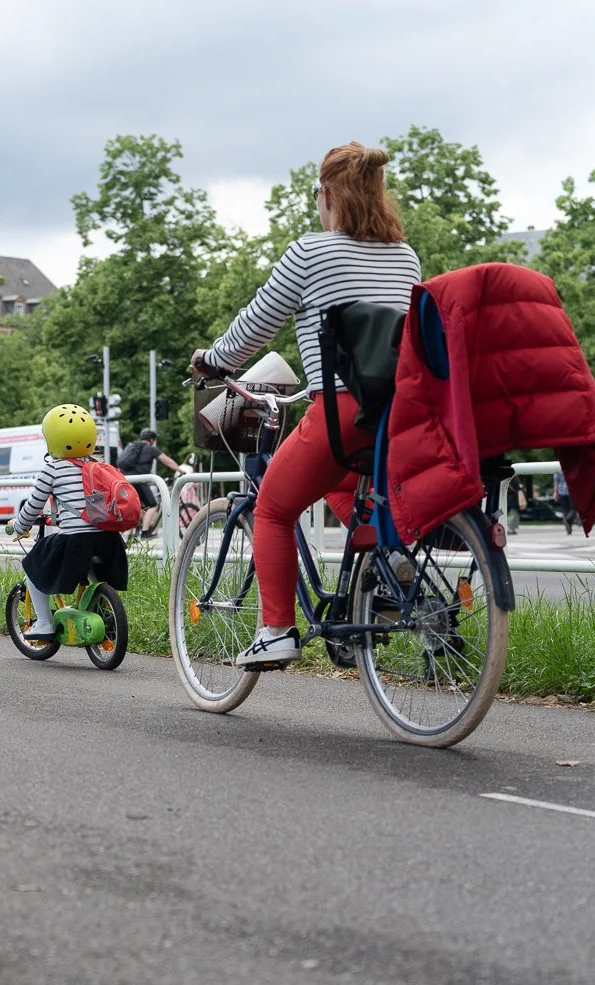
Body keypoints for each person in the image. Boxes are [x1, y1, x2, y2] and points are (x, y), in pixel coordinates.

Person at [192, 141, 422, 667]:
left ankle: (276, 631)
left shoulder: (311, 252)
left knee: (272, 507)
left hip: (339, 413)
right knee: (342, 481)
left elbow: (257, 324)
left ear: (327, 195)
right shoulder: (405, 256)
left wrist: (213, 359)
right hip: (399, 418)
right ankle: (387, 560)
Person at [4, 405, 130, 641]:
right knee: (96, 573)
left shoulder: (53, 468)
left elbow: (33, 505)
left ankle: (43, 623)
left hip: (76, 542)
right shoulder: (98, 466)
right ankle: (107, 613)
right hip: (109, 540)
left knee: (32, 565)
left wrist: (20, 526)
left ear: (53, 438)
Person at [116, 429, 191, 537]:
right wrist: (181, 471)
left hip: (126, 479)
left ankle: (138, 523)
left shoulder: (131, 447)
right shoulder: (151, 449)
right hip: (140, 480)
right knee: (152, 505)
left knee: (139, 504)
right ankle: (145, 532)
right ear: (151, 440)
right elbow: (167, 460)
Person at [554, 470, 576, 535]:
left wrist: (555, 492)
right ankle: (567, 520)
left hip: (561, 492)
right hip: (572, 491)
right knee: (573, 509)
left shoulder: (556, 467)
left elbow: (556, 481)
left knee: (566, 511)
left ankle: (569, 528)